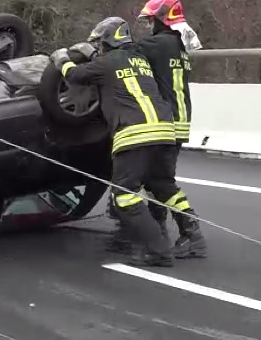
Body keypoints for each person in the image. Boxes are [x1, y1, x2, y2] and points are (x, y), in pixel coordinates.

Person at [51, 17, 195, 266]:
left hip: (135, 134)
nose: (98, 48)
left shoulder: (105, 64)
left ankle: (159, 250)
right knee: (162, 186)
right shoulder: (141, 60)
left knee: (125, 195)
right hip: (165, 132)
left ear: (107, 40)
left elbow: (75, 76)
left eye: (99, 43)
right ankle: (193, 235)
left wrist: (61, 58)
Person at [133, 0, 209, 257]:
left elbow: (123, 54)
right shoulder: (178, 45)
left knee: (159, 181)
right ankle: (159, 230)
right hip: (180, 120)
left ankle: (192, 233)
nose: (149, 26)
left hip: (166, 121)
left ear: (163, 18)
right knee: (155, 179)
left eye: (151, 20)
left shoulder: (158, 45)